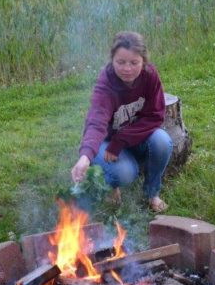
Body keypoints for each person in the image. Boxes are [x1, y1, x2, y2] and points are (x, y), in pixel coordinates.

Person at [71, 31, 172, 212]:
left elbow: (155, 115)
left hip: (131, 138)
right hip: (107, 141)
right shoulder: (106, 82)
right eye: (121, 62)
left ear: (144, 61)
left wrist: (122, 140)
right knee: (125, 173)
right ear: (112, 60)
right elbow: (97, 121)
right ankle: (111, 184)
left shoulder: (149, 76)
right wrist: (85, 156)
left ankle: (152, 193)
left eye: (134, 63)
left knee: (162, 141)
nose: (127, 68)